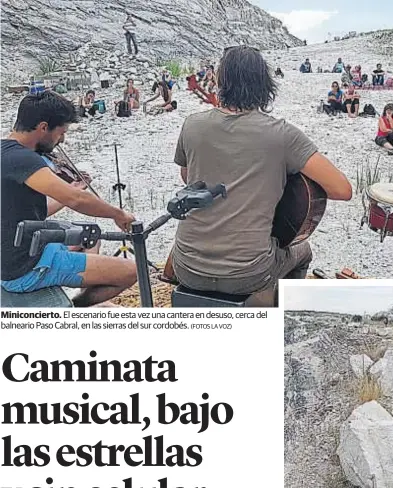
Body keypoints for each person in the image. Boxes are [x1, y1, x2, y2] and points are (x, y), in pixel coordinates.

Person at [170, 46, 352, 296]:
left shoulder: (192, 125)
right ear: (264, 84)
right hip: (248, 273)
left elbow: (187, 177)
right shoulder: (282, 135)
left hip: (186, 266)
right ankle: (280, 317)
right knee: (303, 251)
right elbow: (342, 190)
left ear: (220, 81)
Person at [1, 92, 137, 306]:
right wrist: (118, 214)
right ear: (43, 127)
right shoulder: (24, 160)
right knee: (131, 272)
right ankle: (79, 307)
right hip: (27, 268)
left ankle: (82, 290)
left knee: (90, 238)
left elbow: (34, 210)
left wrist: (69, 190)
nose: (62, 139)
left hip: (22, 252)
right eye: (61, 132)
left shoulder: (6, 152)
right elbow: (77, 200)